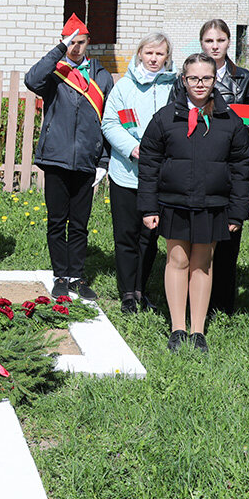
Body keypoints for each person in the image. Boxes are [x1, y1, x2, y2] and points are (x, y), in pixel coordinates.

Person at [137, 53, 249, 352]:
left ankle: (198, 331)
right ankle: (177, 328)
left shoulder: (230, 120)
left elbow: (241, 168)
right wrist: (149, 207)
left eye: (206, 78)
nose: (200, 84)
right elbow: (149, 164)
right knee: (178, 261)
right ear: (183, 80)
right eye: (193, 78)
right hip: (174, 202)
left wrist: (237, 212)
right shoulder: (165, 118)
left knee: (202, 264)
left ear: (215, 81)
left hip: (213, 204)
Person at [24, 14, 113, 297]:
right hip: (56, 158)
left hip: (87, 160)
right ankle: (60, 276)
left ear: (89, 43)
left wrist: (103, 161)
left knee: (79, 224)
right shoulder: (54, 72)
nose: (76, 47)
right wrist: (59, 50)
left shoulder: (102, 76)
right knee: (56, 222)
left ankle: (76, 276)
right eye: (71, 42)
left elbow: (109, 121)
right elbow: (31, 80)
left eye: (80, 42)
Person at [101, 32, 176, 313]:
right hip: (126, 173)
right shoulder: (124, 86)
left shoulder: (174, 87)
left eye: (160, 54)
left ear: (167, 57)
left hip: (159, 176)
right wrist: (132, 148)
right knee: (126, 235)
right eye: (149, 53)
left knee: (149, 236)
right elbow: (110, 123)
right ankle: (127, 293)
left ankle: (141, 288)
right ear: (140, 54)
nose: (154, 59)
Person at [199, 19, 249, 315]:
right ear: (202, 43)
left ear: (229, 42)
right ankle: (198, 298)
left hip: (231, 164)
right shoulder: (190, 75)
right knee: (200, 235)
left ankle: (223, 303)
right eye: (209, 41)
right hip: (199, 162)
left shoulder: (244, 79)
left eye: (220, 40)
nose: (214, 46)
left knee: (229, 233)